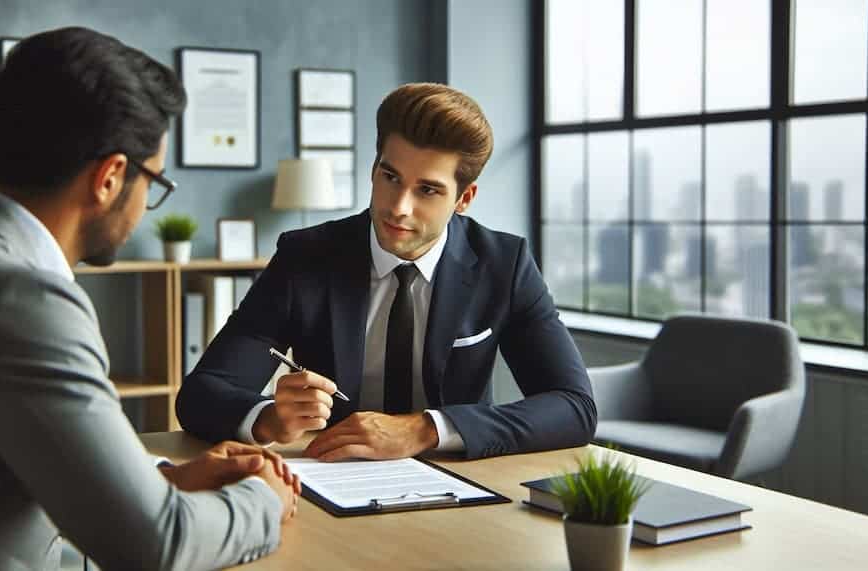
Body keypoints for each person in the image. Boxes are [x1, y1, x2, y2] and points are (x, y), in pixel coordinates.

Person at [0, 27, 299, 571]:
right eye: (153, 182)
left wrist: (163, 479)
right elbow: (159, 546)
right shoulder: (23, 301)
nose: (144, 206)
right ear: (111, 177)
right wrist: (263, 501)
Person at [177, 83, 596, 461]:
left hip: (457, 483)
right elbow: (200, 394)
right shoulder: (304, 257)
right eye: (390, 177)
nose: (398, 207)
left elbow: (574, 406)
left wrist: (424, 429)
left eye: (427, 190)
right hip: (328, 473)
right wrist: (268, 418)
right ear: (373, 170)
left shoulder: (504, 264)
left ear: (464, 198)